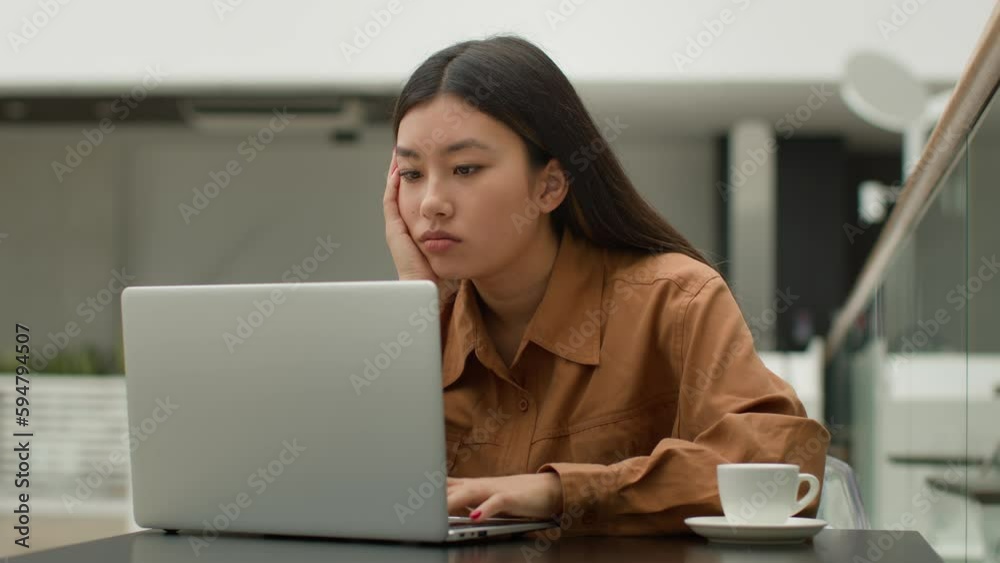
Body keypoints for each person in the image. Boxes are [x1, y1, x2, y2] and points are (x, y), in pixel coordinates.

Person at [381, 34, 830, 536]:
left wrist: (563, 491)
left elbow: (781, 466)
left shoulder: (674, 300)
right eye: (413, 173)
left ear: (549, 185)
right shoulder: (420, 329)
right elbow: (363, 493)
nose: (430, 203)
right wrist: (412, 308)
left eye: (465, 168)